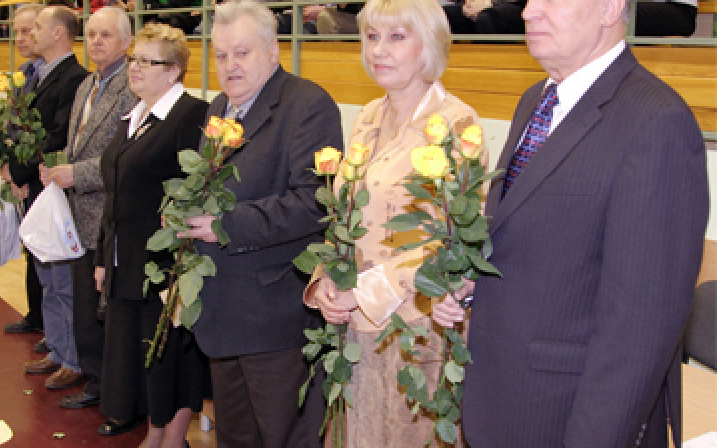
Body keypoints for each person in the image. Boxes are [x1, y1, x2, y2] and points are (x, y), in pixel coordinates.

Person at [436, 0, 709, 446]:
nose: (529, 13)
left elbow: (637, 330)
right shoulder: (536, 100)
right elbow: (532, 239)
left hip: (567, 418)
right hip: (500, 403)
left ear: (610, 9)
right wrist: (474, 285)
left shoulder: (657, 121)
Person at [304, 0, 483, 445]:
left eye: (396, 37)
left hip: (416, 327)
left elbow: (455, 239)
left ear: (430, 45)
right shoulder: (366, 117)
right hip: (355, 327)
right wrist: (326, 278)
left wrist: (362, 291)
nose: (378, 50)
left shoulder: (457, 122)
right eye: (372, 36)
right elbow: (345, 214)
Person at [182, 2, 342, 447]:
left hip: (276, 316)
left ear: (273, 52)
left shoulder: (307, 104)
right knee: (236, 438)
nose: (229, 66)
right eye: (220, 55)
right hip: (224, 311)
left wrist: (225, 224)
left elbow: (314, 202)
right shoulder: (219, 107)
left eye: (242, 53)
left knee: (287, 437)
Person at [94, 23, 211, 445]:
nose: (136, 69)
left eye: (148, 61)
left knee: (170, 355)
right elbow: (116, 192)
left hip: (166, 263)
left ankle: (173, 437)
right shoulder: (136, 114)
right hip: (128, 260)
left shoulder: (191, 115)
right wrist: (103, 257)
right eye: (134, 60)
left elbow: (198, 190)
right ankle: (154, 431)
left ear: (175, 70)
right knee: (141, 353)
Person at [38, 6, 136, 411]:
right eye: (92, 34)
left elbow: (124, 156)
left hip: (106, 211)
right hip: (78, 212)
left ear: (127, 42)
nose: (96, 41)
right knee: (81, 301)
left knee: (102, 308)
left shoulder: (130, 85)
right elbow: (80, 141)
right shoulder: (87, 85)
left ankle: (105, 385)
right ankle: (92, 376)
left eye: (106, 35)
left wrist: (76, 173)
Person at [1, 5, 88, 391]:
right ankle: (56, 346)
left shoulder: (72, 78)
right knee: (46, 276)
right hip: (34, 184)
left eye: (37, 26)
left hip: (51, 186)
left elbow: (55, 137)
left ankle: (71, 356)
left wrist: (20, 171)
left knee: (60, 279)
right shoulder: (38, 74)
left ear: (57, 34)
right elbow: (20, 129)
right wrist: (10, 166)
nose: (30, 33)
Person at [0, 4, 47, 346]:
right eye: (16, 32)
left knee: (44, 252)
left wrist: (24, 172)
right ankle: (35, 314)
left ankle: (45, 319)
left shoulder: (49, 78)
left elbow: (46, 135)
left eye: (27, 31)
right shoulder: (23, 73)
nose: (20, 38)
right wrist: (7, 163)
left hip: (41, 178)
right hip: (21, 175)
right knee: (31, 246)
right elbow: (13, 127)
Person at [443, 0, 527, 34]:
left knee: (487, 19)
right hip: (476, 4)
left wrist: (490, 3)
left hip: (516, 5)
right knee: (442, 15)